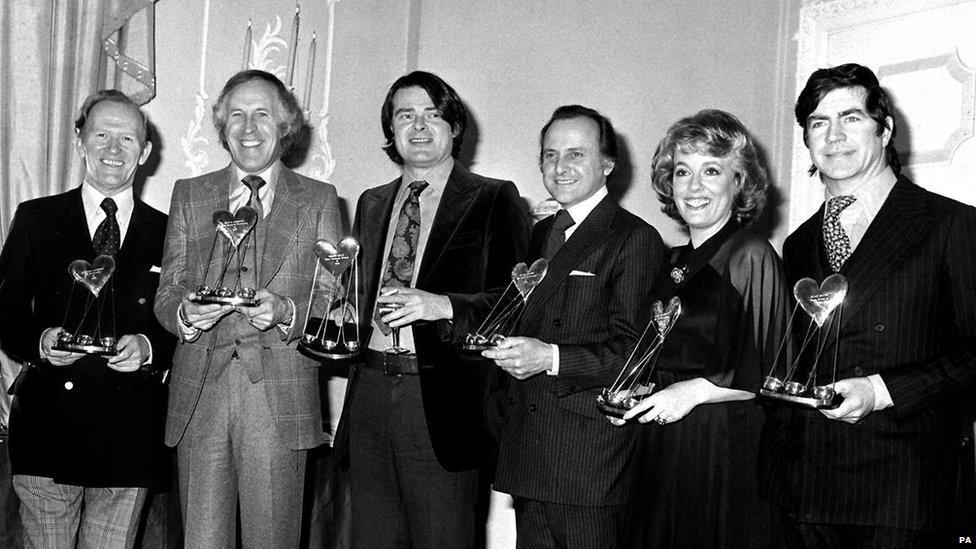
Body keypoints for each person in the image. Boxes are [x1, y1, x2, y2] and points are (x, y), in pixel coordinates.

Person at [759, 63, 976, 545]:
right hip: (802, 486)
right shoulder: (796, 244)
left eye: (851, 117)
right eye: (819, 122)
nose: (834, 135)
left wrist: (881, 391)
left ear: (886, 129)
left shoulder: (950, 225)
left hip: (900, 490)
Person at [333, 70, 529, 548]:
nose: (418, 127)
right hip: (371, 393)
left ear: (455, 126)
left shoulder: (493, 197)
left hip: (442, 399)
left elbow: (516, 301)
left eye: (432, 114)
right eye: (406, 116)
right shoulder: (373, 202)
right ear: (391, 130)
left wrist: (440, 305)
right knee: (370, 540)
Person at [154, 69, 341, 547]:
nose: (248, 127)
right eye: (236, 115)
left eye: (262, 114)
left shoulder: (319, 200)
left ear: (285, 127)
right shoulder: (189, 195)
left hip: (279, 395)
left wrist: (284, 312)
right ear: (222, 127)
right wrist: (183, 317)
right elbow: (168, 290)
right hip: (200, 395)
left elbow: (333, 303)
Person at [484, 105, 667, 547]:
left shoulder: (634, 238)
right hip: (530, 449)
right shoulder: (541, 232)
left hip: (589, 461)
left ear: (607, 164)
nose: (560, 167)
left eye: (575, 154)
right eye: (550, 155)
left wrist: (549, 357)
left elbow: (635, 355)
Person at [0, 89, 174, 547]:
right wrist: (39, 341)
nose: (113, 150)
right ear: (80, 142)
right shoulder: (37, 219)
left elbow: (185, 320)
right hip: (47, 430)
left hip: (129, 435)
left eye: (127, 139)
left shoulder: (171, 232)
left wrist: (151, 346)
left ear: (146, 152)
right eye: (101, 134)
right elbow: (4, 312)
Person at [619, 109, 787, 547]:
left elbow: (769, 369)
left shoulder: (750, 253)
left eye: (711, 171)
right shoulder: (671, 261)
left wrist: (691, 391)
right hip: (661, 440)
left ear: (739, 182)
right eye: (682, 172)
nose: (693, 187)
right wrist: (641, 388)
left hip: (721, 446)